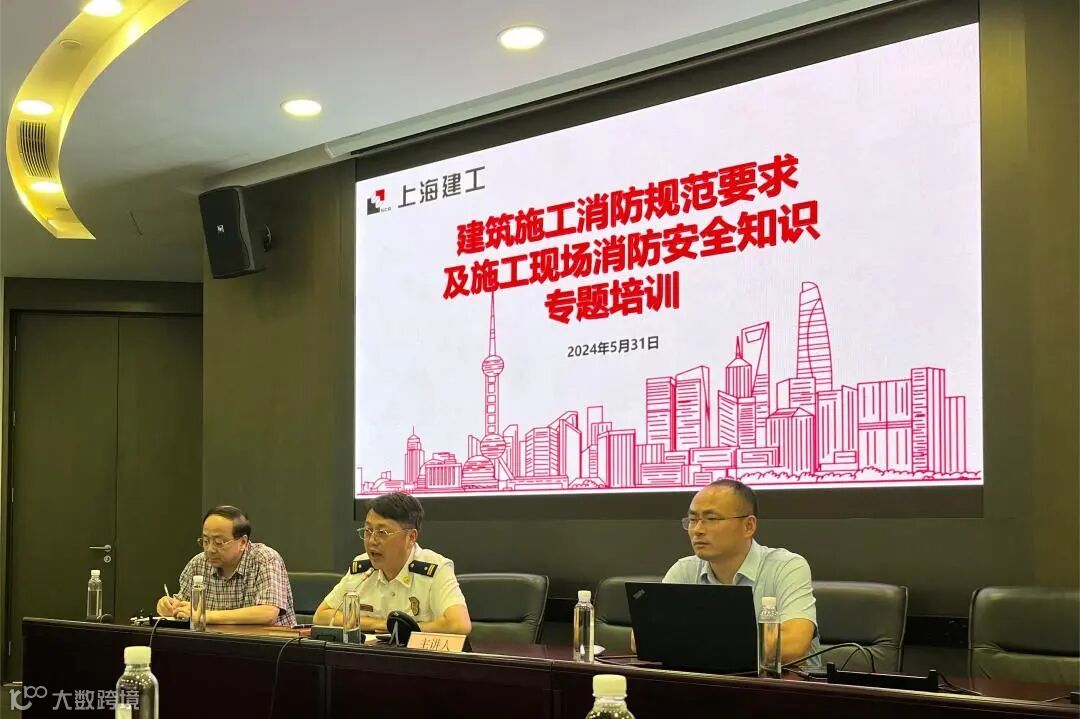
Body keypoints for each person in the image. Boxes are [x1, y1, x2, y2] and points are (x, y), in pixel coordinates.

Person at [651, 479, 820, 664]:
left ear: (749, 526)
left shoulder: (786, 567)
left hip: (777, 681)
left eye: (711, 519)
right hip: (705, 679)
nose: (697, 530)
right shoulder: (684, 570)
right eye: (693, 520)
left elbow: (793, 645)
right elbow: (643, 638)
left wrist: (694, 642)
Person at [313, 492, 471, 635]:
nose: (372, 541)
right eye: (368, 531)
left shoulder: (435, 569)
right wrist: (378, 624)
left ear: (411, 537)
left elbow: (459, 625)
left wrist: (403, 629)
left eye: (382, 532)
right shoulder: (362, 568)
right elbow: (322, 616)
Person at [155, 505, 296, 627]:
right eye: (205, 541)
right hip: (215, 643)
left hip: (267, 645)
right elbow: (183, 606)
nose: (210, 549)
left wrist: (206, 615)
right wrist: (169, 606)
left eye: (218, 542)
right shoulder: (198, 564)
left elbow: (268, 613)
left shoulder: (265, 559)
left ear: (242, 542)